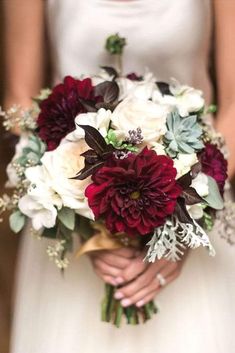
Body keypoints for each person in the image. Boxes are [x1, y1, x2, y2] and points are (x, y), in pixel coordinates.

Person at [3, 0, 235, 352]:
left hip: (197, 208)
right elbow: (21, 101)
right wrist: (77, 220)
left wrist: (184, 226)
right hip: (72, 233)